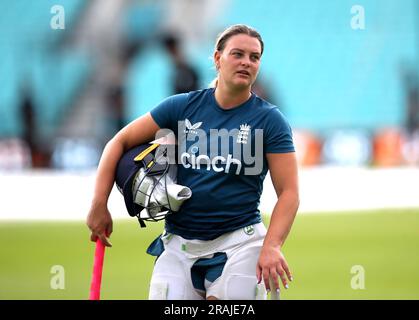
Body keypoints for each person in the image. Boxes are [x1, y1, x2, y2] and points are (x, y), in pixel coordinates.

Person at [86, 24, 299, 300]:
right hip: (178, 245)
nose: (247, 62)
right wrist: (99, 203)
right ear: (217, 58)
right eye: (237, 54)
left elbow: (290, 192)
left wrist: (272, 245)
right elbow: (119, 142)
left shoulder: (271, 120)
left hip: (241, 243)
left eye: (254, 57)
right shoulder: (182, 107)